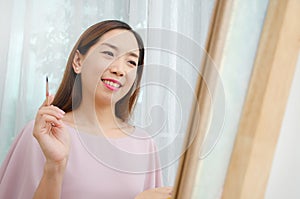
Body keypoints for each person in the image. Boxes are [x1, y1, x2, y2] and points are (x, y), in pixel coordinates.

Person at [0, 20, 172, 199]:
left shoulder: (144, 144)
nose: (120, 70)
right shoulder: (43, 133)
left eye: (131, 62)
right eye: (109, 53)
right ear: (78, 61)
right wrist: (55, 166)